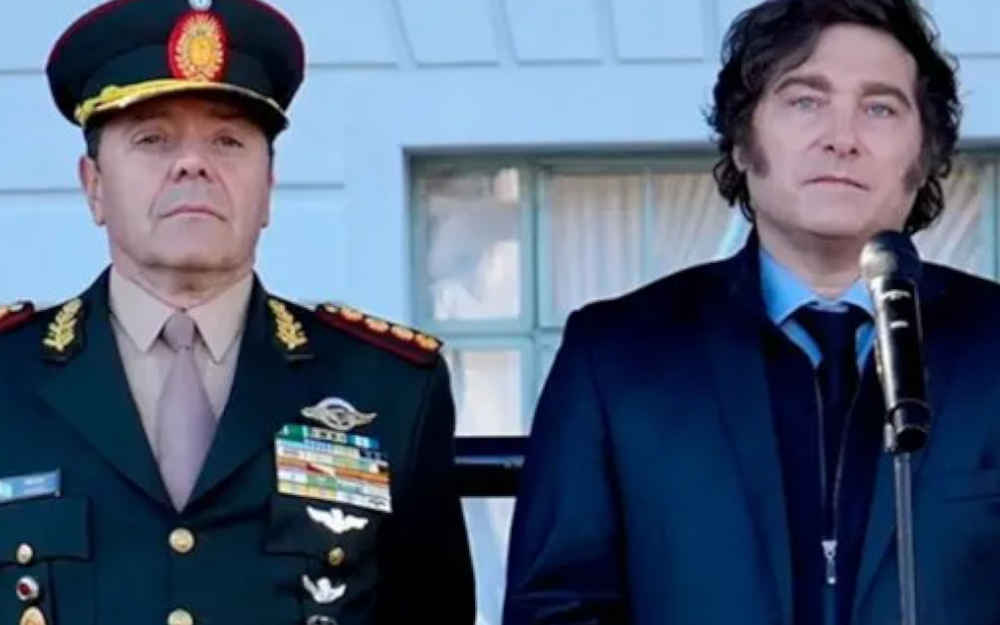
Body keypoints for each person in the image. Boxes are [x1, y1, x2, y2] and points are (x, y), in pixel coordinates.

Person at [503, 1, 1000, 624]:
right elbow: (555, 608)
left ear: (923, 155)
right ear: (742, 141)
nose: (842, 138)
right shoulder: (617, 353)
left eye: (879, 108)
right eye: (805, 101)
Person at [0, 1, 474, 624]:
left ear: (268, 187)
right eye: (151, 139)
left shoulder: (388, 387)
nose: (193, 163)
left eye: (227, 140)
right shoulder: (7, 374)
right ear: (94, 186)